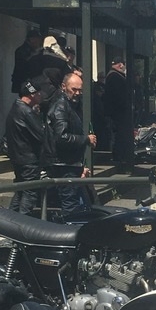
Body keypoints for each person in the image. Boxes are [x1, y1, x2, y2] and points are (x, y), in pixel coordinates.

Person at [47, 70, 97, 218]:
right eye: (73, 89)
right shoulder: (61, 106)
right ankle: (70, 235)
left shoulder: (71, 105)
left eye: (80, 90)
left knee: (76, 203)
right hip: (64, 165)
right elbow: (61, 137)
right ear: (63, 86)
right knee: (70, 205)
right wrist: (86, 140)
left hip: (70, 163)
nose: (77, 93)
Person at [5, 81, 51, 216]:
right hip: (28, 159)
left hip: (17, 157)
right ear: (31, 95)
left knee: (20, 191)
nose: (41, 96)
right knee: (29, 192)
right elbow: (41, 135)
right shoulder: (26, 112)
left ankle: (10, 219)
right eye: (38, 93)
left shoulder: (15, 108)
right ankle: (22, 223)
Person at [103, 57, 135, 166]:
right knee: (118, 136)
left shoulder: (113, 76)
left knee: (118, 136)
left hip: (116, 113)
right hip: (116, 114)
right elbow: (118, 96)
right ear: (120, 65)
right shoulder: (114, 76)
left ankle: (120, 156)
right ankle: (118, 157)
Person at [11, 27, 43, 94]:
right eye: (37, 40)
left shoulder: (26, 50)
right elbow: (24, 70)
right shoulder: (24, 51)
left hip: (26, 81)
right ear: (32, 39)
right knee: (30, 97)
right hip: (25, 81)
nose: (39, 42)